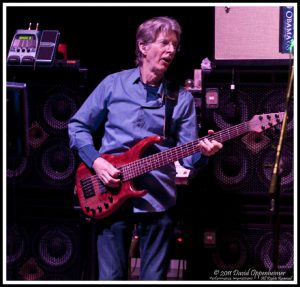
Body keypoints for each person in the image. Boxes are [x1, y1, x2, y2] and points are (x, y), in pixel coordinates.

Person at [68, 16, 223, 280]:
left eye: (175, 45)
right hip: (108, 196)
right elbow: (77, 126)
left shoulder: (181, 98)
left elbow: (187, 157)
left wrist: (202, 155)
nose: (171, 50)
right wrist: (96, 162)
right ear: (143, 47)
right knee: (111, 277)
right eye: (164, 43)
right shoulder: (112, 84)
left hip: (157, 201)